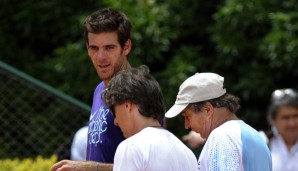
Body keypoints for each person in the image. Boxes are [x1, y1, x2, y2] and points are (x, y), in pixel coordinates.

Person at [50, 7, 132, 171]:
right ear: (87, 48)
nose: (100, 57)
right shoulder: (99, 90)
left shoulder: (138, 92)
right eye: (94, 48)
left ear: (126, 47)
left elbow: (150, 164)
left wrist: (92, 168)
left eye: (109, 47)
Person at [165, 72, 272, 171]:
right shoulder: (254, 134)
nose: (186, 125)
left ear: (207, 110)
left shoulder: (222, 137)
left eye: (187, 116)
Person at [102, 65, 198, 171]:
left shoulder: (131, 147)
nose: (115, 121)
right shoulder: (187, 153)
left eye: (114, 111)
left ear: (127, 105)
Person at [259, 88, 298, 171]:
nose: (292, 123)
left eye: (296, 116)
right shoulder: (261, 141)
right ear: (273, 119)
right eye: (286, 118)